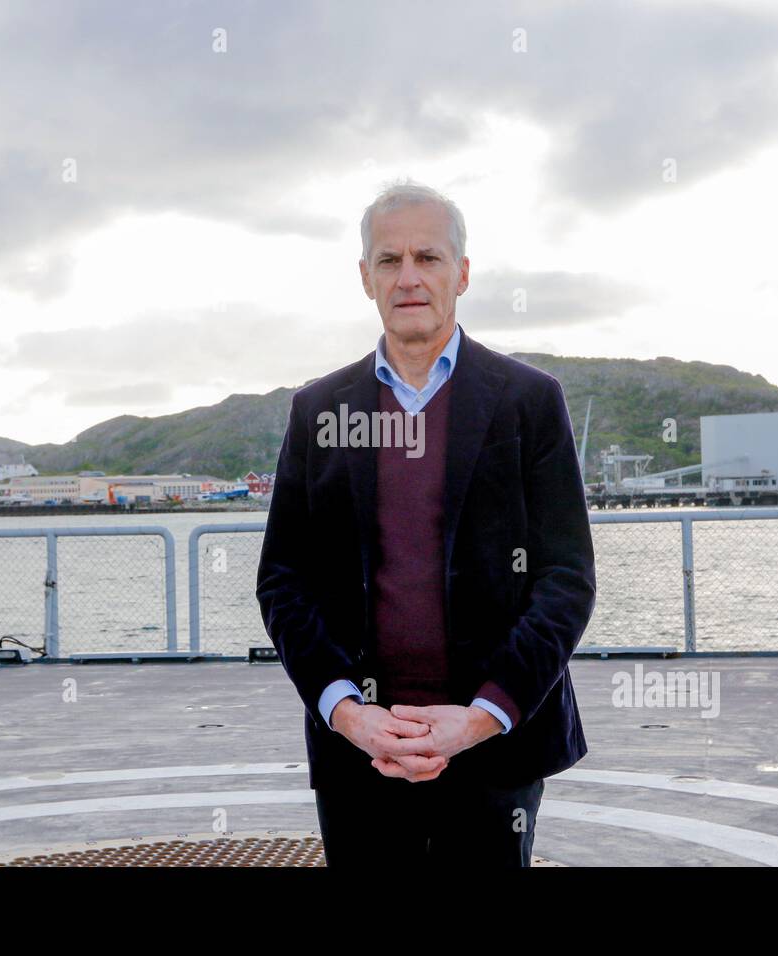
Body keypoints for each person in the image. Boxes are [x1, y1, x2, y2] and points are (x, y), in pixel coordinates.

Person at [255, 178, 596, 867]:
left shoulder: (529, 402)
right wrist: (350, 714)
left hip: (497, 743)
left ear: (463, 273)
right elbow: (283, 581)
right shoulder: (318, 410)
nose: (409, 277)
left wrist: (478, 717)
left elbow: (566, 579)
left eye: (428, 258)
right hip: (360, 752)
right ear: (365, 278)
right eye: (389, 260)